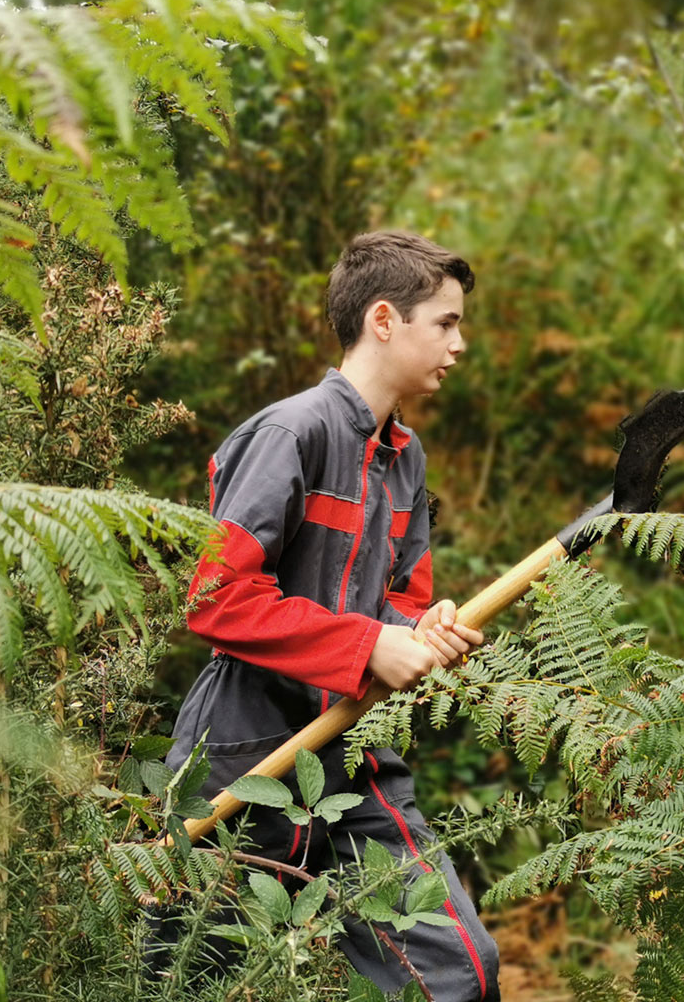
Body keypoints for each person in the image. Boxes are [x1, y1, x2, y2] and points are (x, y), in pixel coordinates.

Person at [158, 230, 500, 1000]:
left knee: (457, 974)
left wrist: (418, 632)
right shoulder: (292, 433)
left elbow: (403, 598)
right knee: (188, 980)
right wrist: (368, 644)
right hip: (242, 754)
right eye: (445, 323)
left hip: (355, 758)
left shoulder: (405, 458)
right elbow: (216, 596)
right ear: (383, 320)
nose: (460, 344)